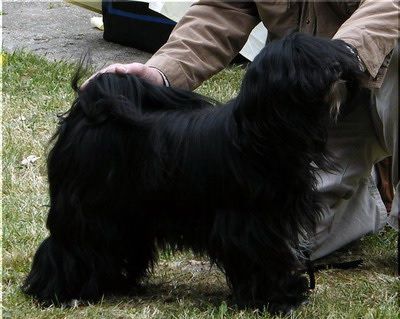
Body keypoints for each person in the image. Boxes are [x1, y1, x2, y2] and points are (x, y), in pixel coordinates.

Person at [88, 1, 399, 260]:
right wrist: (160, 72)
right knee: (274, 246)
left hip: (372, 78)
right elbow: (223, 7)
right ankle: (365, 187)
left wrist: (335, 58)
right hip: (306, 104)